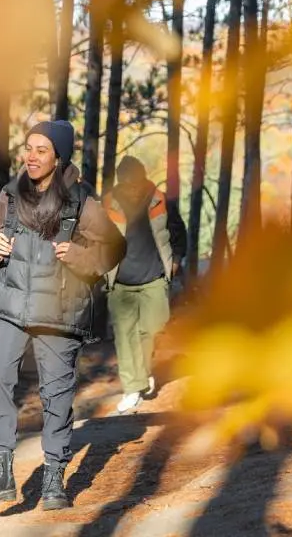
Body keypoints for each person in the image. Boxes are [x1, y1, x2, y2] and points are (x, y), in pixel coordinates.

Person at [0, 120, 126, 511]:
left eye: (41, 149)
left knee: (56, 394)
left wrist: (81, 257)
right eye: (28, 147)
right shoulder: (10, 193)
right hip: (9, 304)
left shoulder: (80, 201)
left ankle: (54, 475)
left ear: (58, 157)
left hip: (58, 309)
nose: (31, 156)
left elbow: (115, 247)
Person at [102, 156, 188, 414]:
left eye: (136, 182)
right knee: (124, 336)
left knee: (152, 328)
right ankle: (132, 388)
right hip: (120, 281)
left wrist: (176, 260)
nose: (133, 188)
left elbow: (178, 233)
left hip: (154, 278)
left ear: (143, 178)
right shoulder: (108, 203)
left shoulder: (159, 199)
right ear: (120, 183)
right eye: (127, 183)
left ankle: (143, 372)